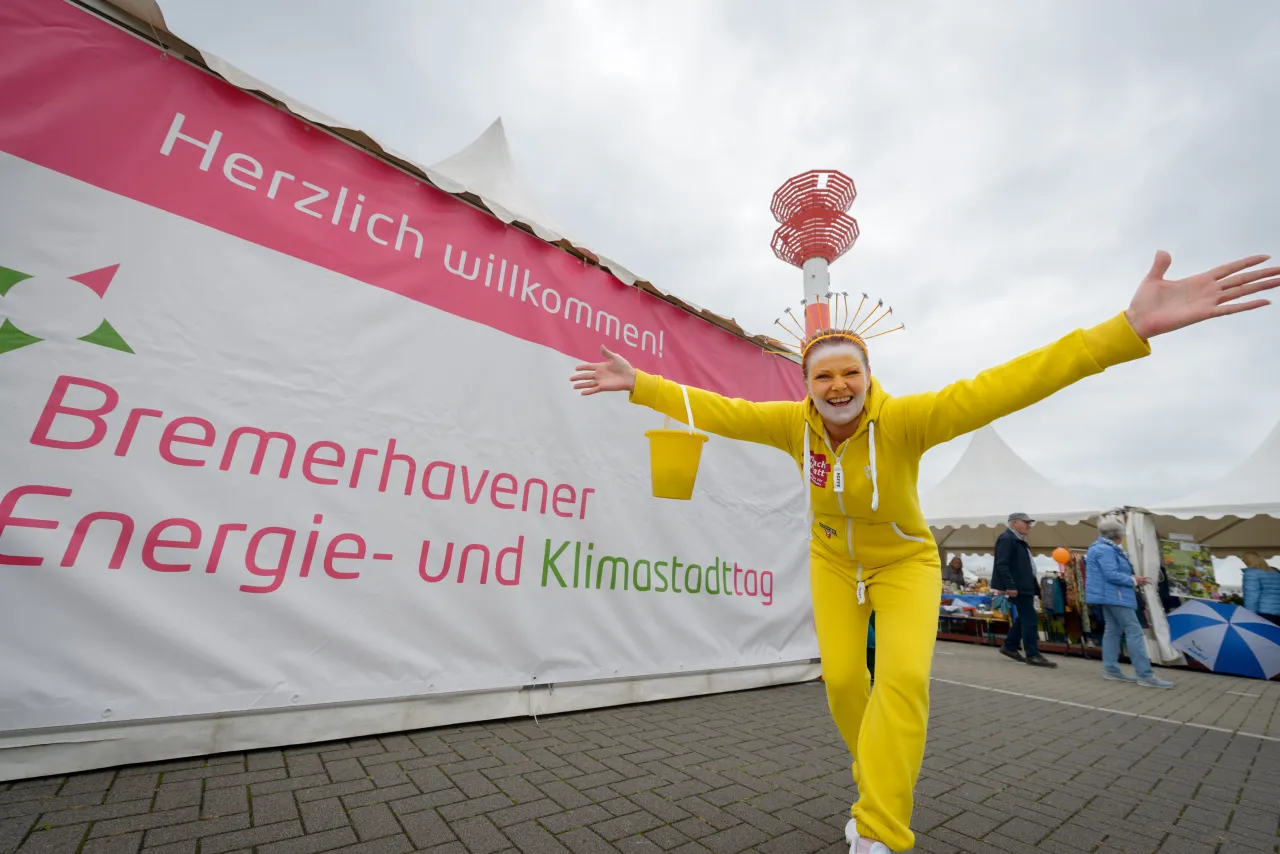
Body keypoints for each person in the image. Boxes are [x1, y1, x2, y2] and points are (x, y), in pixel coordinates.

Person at [569, 252, 1277, 853]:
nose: (838, 386)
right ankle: (878, 770)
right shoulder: (794, 427)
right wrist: (640, 385)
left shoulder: (908, 421)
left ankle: (879, 829)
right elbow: (719, 409)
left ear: (868, 375)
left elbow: (1009, 383)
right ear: (807, 386)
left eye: (850, 372)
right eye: (823, 377)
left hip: (905, 565)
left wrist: (1126, 331)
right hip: (831, 562)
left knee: (901, 683)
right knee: (845, 684)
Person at [1085, 516, 1174, 688]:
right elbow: (1111, 574)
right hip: (1116, 595)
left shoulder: (1099, 548)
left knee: (1112, 630)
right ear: (1117, 535)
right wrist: (1134, 580)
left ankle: (1111, 669)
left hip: (1107, 595)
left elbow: (1107, 573)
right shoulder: (1107, 550)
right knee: (1134, 631)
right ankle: (1145, 674)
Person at [992, 512, 1057, 668]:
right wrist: (1010, 585)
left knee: (1026, 618)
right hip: (1018, 586)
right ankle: (1032, 654)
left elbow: (1024, 566)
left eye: (1029, 523)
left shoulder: (1017, 540)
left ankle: (1010, 645)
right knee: (1030, 619)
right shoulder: (1007, 539)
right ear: (1014, 523)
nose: (1029, 525)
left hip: (1024, 585)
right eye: (1025, 522)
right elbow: (1002, 564)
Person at [1242, 552, 1280, 626]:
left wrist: (1249, 616)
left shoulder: (1251, 573)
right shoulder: (1276, 572)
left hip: (1263, 613)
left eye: (1244, 559)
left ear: (1248, 560)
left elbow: (1251, 597)